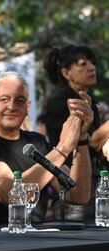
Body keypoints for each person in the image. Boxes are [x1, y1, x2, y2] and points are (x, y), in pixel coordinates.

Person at [0, 71, 92, 224]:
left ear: (28, 107)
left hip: (37, 239)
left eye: (19, 100)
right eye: (4, 99)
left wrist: (81, 139)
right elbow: (11, 194)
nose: (12, 106)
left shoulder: (37, 141)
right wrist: (62, 149)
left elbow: (78, 195)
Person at [44, 44, 107, 220]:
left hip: (94, 184)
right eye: (83, 63)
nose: (91, 67)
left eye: (92, 63)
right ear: (66, 73)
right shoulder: (62, 102)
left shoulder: (88, 101)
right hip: (73, 188)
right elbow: (88, 141)